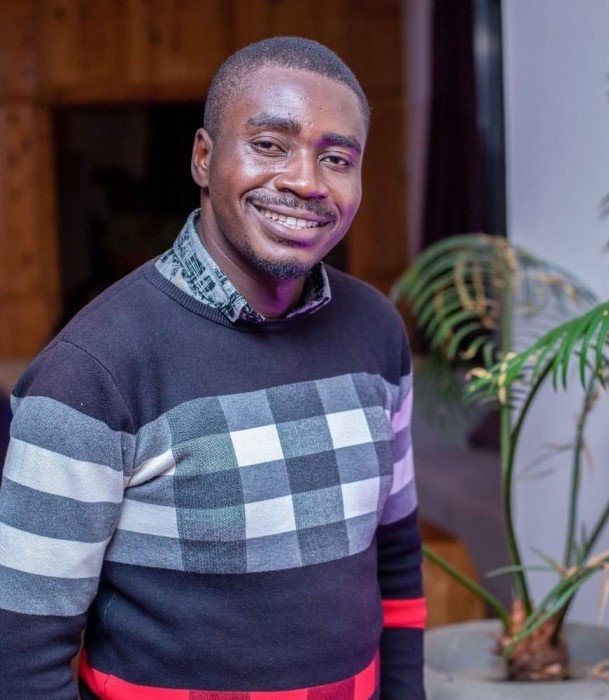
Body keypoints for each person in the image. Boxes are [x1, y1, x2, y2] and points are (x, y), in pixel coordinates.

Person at [0, 37, 426, 699]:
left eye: (335, 157)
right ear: (203, 158)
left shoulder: (377, 331)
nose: (307, 182)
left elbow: (396, 557)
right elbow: (22, 653)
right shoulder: (90, 370)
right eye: (269, 144)